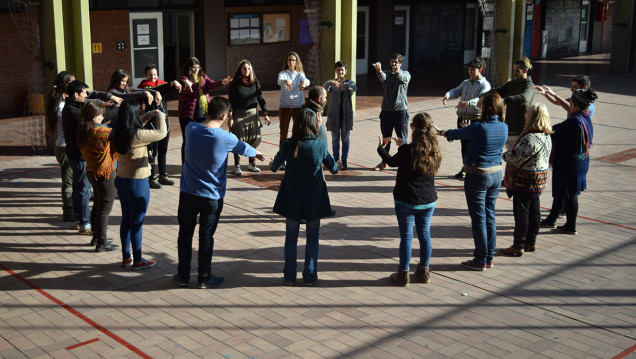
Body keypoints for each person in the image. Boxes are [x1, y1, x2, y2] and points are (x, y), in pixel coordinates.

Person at [174, 97, 267, 288]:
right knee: (206, 237)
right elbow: (244, 148)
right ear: (224, 116)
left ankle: (183, 276)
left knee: (185, 234)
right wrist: (256, 154)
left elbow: (194, 120)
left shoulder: (190, 129)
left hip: (188, 194)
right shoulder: (226, 138)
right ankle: (204, 277)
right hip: (212, 197)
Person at [433, 93, 508, 271]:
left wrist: (441, 132)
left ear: (486, 107)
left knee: (479, 219)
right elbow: (470, 134)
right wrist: (468, 130)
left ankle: (480, 259)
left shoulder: (479, 126)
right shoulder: (503, 126)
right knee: (490, 216)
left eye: (481, 104)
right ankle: (489, 257)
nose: (478, 107)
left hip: (478, 175)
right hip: (496, 174)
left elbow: (457, 133)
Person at [271, 108, 338, 286]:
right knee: (313, 236)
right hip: (314, 198)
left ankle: (289, 276)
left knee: (291, 236)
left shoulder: (288, 145)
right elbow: (334, 168)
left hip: (292, 196)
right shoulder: (319, 145)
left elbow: (274, 167)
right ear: (313, 124)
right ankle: (309, 275)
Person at [377, 113, 442, 286]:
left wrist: (381, 148)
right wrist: (402, 146)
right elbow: (413, 155)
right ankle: (423, 272)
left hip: (406, 200)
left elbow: (391, 162)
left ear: (413, 128)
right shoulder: (434, 150)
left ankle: (403, 274)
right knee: (424, 235)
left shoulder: (408, 150)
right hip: (428, 200)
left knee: (406, 237)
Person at [112, 101, 167, 270]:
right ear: (134, 115)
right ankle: (138, 260)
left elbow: (134, 124)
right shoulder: (137, 134)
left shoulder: (118, 130)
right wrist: (161, 117)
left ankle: (126, 257)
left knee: (126, 220)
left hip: (121, 180)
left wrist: (148, 115)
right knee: (137, 222)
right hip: (137, 182)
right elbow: (161, 133)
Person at [63, 80, 121, 235]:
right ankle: (84, 224)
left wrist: (105, 104)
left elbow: (93, 102)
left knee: (79, 189)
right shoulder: (73, 111)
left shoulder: (73, 105)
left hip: (77, 154)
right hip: (79, 156)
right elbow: (98, 115)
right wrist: (116, 109)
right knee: (83, 191)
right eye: (83, 93)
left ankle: (80, 220)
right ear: (76, 95)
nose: (86, 95)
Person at [534, 75, 595, 223]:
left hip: (569, 163)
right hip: (578, 161)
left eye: (571, 103)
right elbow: (560, 124)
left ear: (576, 105)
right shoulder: (584, 117)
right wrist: (549, 93)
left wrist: (540, 129)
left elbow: (555, 134)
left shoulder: (574, 120)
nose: (569, 105)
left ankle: (570, 225)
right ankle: (554, 219)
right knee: (564, 193)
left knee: (569, 195)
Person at [500, 104, 552, 256]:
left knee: (522, 214)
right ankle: (531, 241)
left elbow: (516, 159)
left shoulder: (531, 137)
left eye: (527, 113)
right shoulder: (546, 134)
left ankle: (518, 245)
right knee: (534, 211)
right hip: (538, 179)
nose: (525, 116)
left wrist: (504, 154)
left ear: (533, 116)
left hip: (525, 180)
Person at [77, 100, 120, 252]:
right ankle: (102, 242)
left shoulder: (84, 129)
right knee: (104, 209)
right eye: (100, 114)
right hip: (106, 173)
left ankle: (96, 236)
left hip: (92, 171)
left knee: (98, 204)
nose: (103, 117)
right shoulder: (101, 132)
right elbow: (117, 132)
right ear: (93, 116)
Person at [442, 57, 491, 179]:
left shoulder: (485, 85)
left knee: (474, 145)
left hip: (476, 119)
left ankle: (474, 169)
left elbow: (482, 99)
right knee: (464, 144)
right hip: (463, 118)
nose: (470, 71)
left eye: (473, 69)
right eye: (469, 69)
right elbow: (456, 91)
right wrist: (448, 95)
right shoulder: (466, 82)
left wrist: (468, 103)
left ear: (480, 69)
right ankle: (465, 168)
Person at [178, 57, 231, 162]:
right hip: (188, 115)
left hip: (203, 113)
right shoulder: (184, 79)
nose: (195, 70)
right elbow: (190, 90)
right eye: (193, 68)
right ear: (188, 68)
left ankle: (198, 163)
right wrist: (198, 85)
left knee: (202, 140)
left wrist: (222, 82)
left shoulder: (202, 76)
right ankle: (185, 165)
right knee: (188, 141)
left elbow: (211, 85)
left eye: (197, 67)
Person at [137, 64, 182, 188]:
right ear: (146, 76)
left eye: (155, 75)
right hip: (152, 124)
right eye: (150, 75)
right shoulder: (144, 88)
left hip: (164, 122)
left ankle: (163, 175)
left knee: (163, 150)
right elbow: (160, 89)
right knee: (153, 152)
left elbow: (166, 88)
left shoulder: (161, 84)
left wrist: (177, 83)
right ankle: (152, 177)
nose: (153, 77)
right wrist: (171, 83)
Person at [227, 59, 271, 176]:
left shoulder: (255, 83)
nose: (246, 70)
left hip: (253, 115)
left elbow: (260, 99)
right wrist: (230, 117)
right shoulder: (234, 84)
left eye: (248, 68)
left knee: (253, 139)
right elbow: (230, 102)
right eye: (244, 68)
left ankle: (251, 164)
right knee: (237, 140)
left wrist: (265, 114)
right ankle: (237, 166)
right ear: (240, 70)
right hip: (239, 115)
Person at [484, 57, 534, 151]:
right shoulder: (512, 83)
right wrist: (483, 96)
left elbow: (524, 98)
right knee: (511, 159)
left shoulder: (529, 86)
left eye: (517, 71)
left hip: (521, 130)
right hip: (510, 128)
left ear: (525, 70)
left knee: (518, 160)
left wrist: (504, 100)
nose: (514, 73)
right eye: (514, 71)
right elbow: (498, 91)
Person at [372, 53, 411, 170]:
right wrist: (378, 70)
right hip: (386, 112)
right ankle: (384, 162)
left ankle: (404, 163)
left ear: (400, 64)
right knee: (386, 138)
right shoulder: (387, 75)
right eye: (392, 62)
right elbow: (382, 77)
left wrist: (398, 72)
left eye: (396, 62)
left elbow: (404, 78)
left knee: (402, 139)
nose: (393, 64)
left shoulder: (405, 74)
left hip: (401, 112)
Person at [47, 71, 75, 222]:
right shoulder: (63, 108)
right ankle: (68, 210)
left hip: (62, 147)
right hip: (65, 148)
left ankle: (71, 207)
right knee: (68, 181)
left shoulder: (59, 104)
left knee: (70, 180)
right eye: (73, 84)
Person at [323, 60, 357, 170]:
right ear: (335, 71)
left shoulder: (349, 83)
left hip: (346, 116)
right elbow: (323, 89)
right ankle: (335, 158)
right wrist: (330, 83)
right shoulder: (332, 83)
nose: (340, 72)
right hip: (334, 116)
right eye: (338, 70)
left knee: (345, 139)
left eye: (342, 70)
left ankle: (344, 160)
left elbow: (354, 88)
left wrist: (344, 85)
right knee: (335, 139)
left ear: (345, 71)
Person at [277, 51, 310, 145]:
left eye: (293, 60)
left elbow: (307, 81)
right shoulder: (283, 73)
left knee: (299, 132)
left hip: (298, 107)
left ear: (296, 62)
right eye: (289, 60)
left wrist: (305, 83)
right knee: (283, 133)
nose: (291, 62)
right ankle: (282, 156)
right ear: (287, 62)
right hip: (285, 107)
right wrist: (285, 80)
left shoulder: (300, 74)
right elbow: (279, 82)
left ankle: (297, 155)